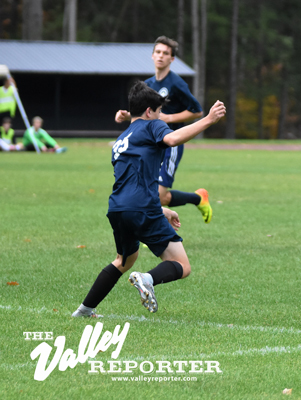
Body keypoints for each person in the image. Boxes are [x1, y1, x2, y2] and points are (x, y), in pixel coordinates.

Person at [72, 82, 226, 318]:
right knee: (182, 266)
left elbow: (132, 182)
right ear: (148, 112)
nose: (160, 117)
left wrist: (162, 210)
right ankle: (148, 279)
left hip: (118, 208)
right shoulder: (153, 125)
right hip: (141, 207)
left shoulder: (122, 139)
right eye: (159, 112)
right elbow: (173, 139)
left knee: (124, 260)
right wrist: (208, 120)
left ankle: (84, 310)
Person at [114, 36, 212, 223]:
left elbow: (197, 111)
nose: (161, 56)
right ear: (152, 56)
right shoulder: (148, 84)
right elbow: (143, 113)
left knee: (158, 195)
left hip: (171, 143)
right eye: (158, 52)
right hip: (151, 145)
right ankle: (198, 198)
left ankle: (154, 232)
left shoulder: (176, 83)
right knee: (155, 195)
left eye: (165, 53)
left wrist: (170, 118)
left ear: (172, 59)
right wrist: (126, 115)